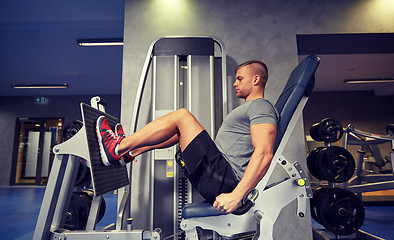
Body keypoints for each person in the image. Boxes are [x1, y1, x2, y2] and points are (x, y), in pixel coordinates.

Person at [96, 60, 279, 214]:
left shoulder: (261, 106)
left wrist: (237, 195)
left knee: (182, 116)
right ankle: (131, 151)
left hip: (225, 180)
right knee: (179, 131)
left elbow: (264, 153)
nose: (235, 84)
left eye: (239, 79)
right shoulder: (252, 108)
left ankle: (117, 147)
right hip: (219, 176)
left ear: (256, 79)